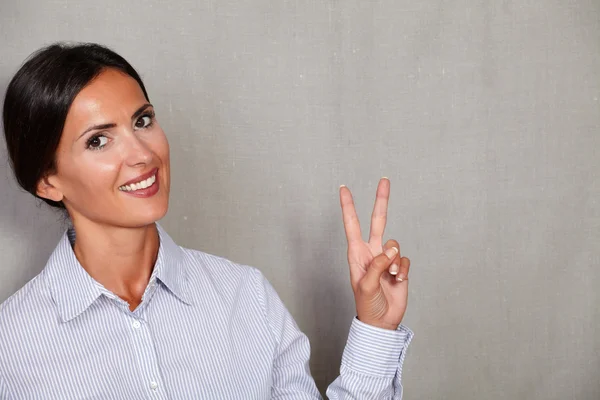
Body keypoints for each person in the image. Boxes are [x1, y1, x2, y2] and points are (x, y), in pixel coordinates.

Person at [0, 42, 413, 399]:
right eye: (98, 140)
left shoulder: (245, 296)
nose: (143, 154)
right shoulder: (11, 346)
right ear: (47, 181)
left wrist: (375, 329)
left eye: (142, 120)